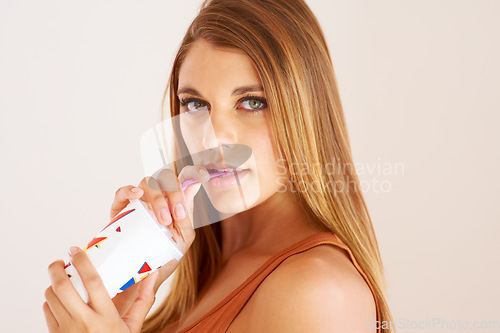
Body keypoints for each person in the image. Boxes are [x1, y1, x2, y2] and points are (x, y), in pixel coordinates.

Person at [43, 0, 395, 332]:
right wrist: (120, 287)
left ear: (306, 112)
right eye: (196, 104)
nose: (210, 141)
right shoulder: (207, 265)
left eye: (252, 102)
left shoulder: (319, 293)